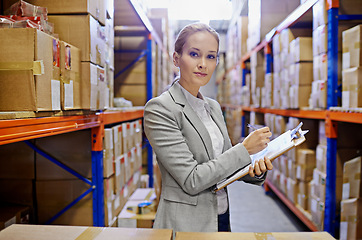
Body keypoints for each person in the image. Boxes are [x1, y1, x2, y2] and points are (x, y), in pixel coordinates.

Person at [143, 23, 273, 233]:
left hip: (221, 217)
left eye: (211, 57)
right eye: (194, 54)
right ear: (177, 59)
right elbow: (191, 179)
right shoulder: (160, 109)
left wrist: (255, 167)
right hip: (187, 224)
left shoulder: (212, 107)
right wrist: (244, 150)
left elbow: (227, 162)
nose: (203, 64)